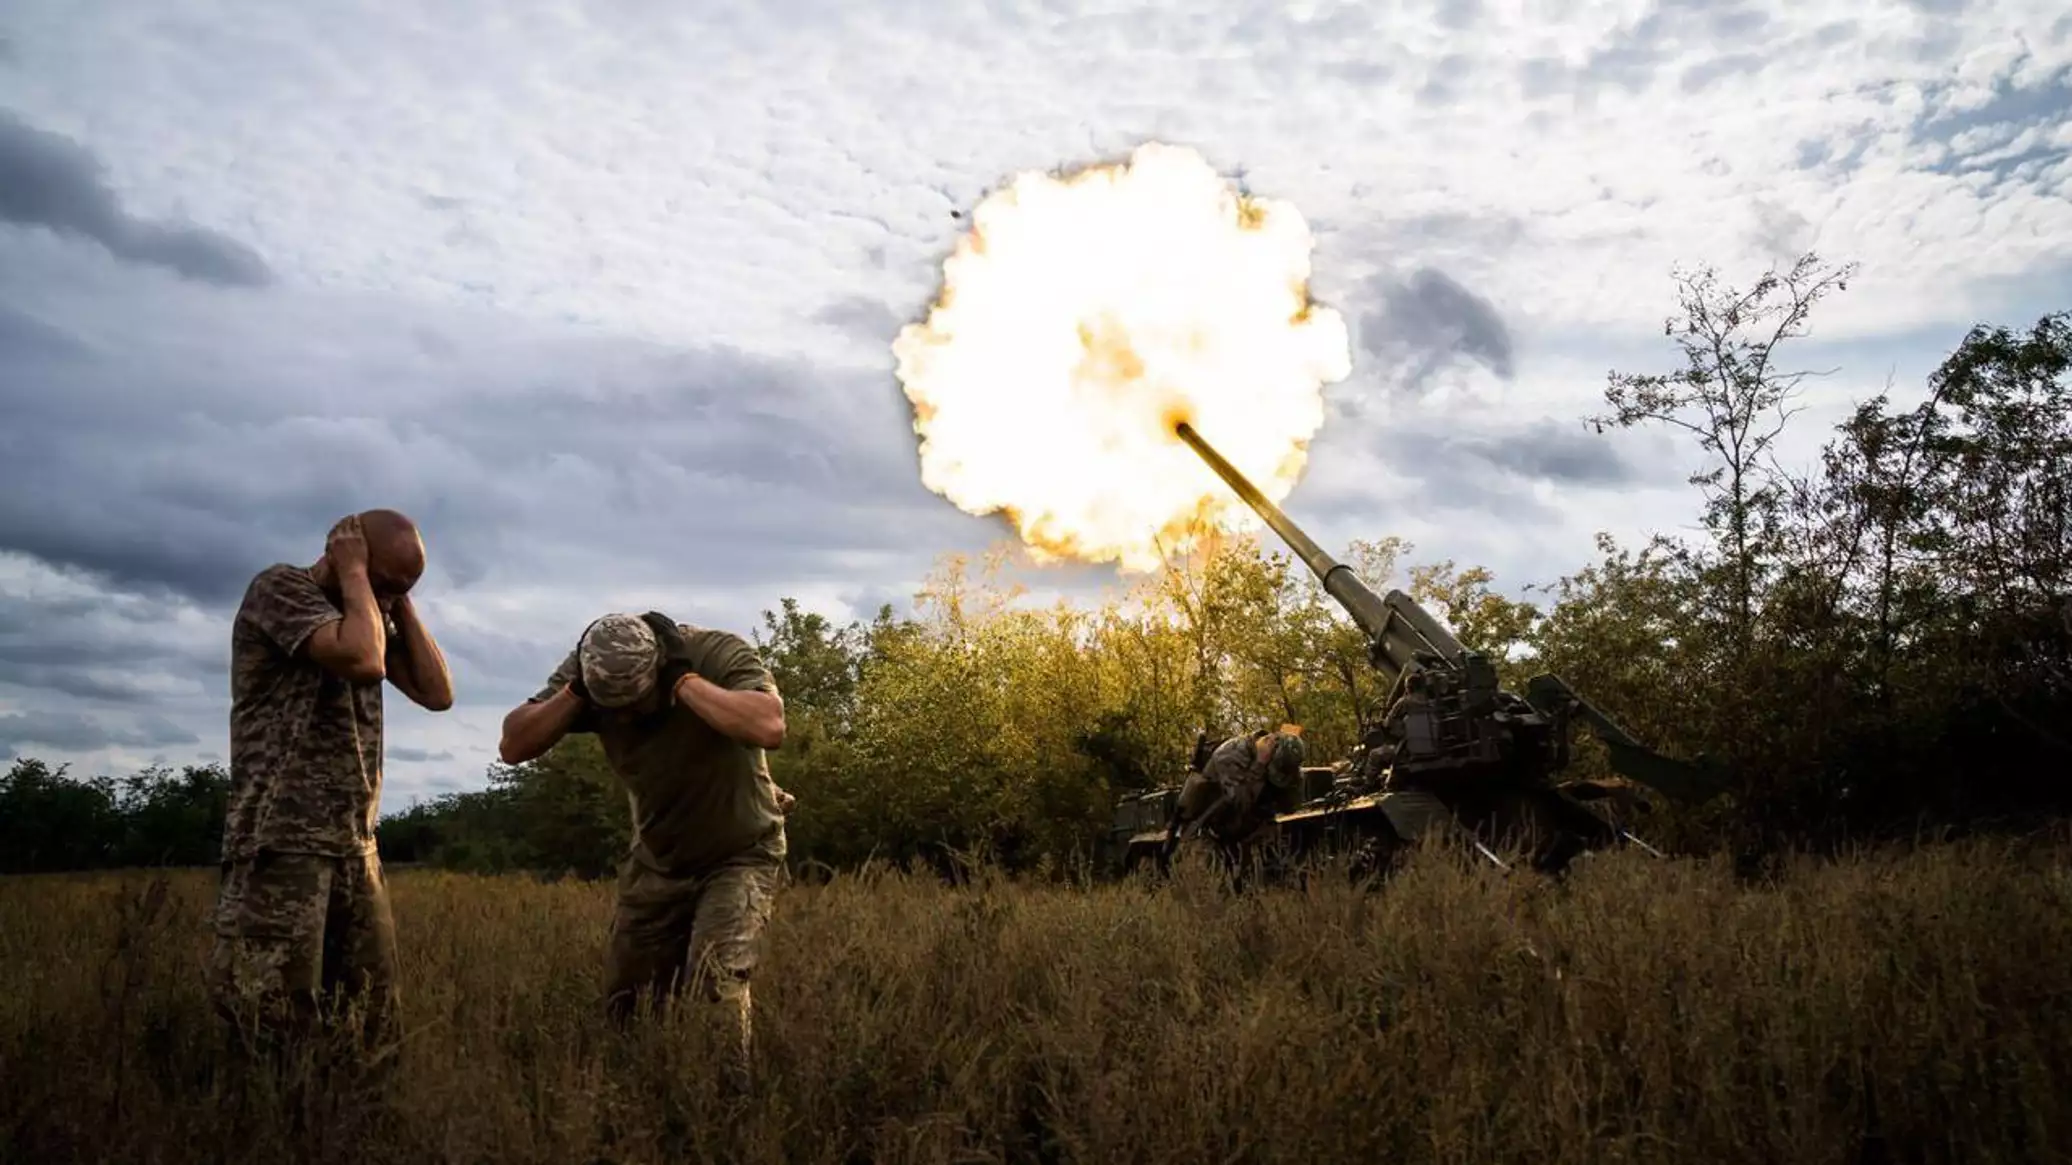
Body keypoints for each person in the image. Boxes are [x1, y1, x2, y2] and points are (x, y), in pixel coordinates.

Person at [497, 610, 787, 1093]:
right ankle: (639, 1111)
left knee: (716, 986)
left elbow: (769, 726)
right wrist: (575, 695)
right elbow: (513, 744)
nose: (627, 717)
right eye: (615, 710)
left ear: (659, 669)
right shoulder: (588, 671)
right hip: (657, 862)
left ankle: (730, 1120)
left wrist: (686, 684)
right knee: (627, 1004)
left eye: (636, 701)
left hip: (740, 852)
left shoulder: (714, 654)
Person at [207, 510, 454, 1069]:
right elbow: (362, 660)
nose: (388, 599)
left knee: (369, 1021)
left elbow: (438, 694)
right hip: (281, 844)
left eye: (404, 588)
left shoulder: (368, 611)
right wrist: (359, 578)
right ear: (348, 557)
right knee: (269, 1025)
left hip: (354, 846)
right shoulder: (281, 590)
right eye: (385, 583)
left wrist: (398, 601)